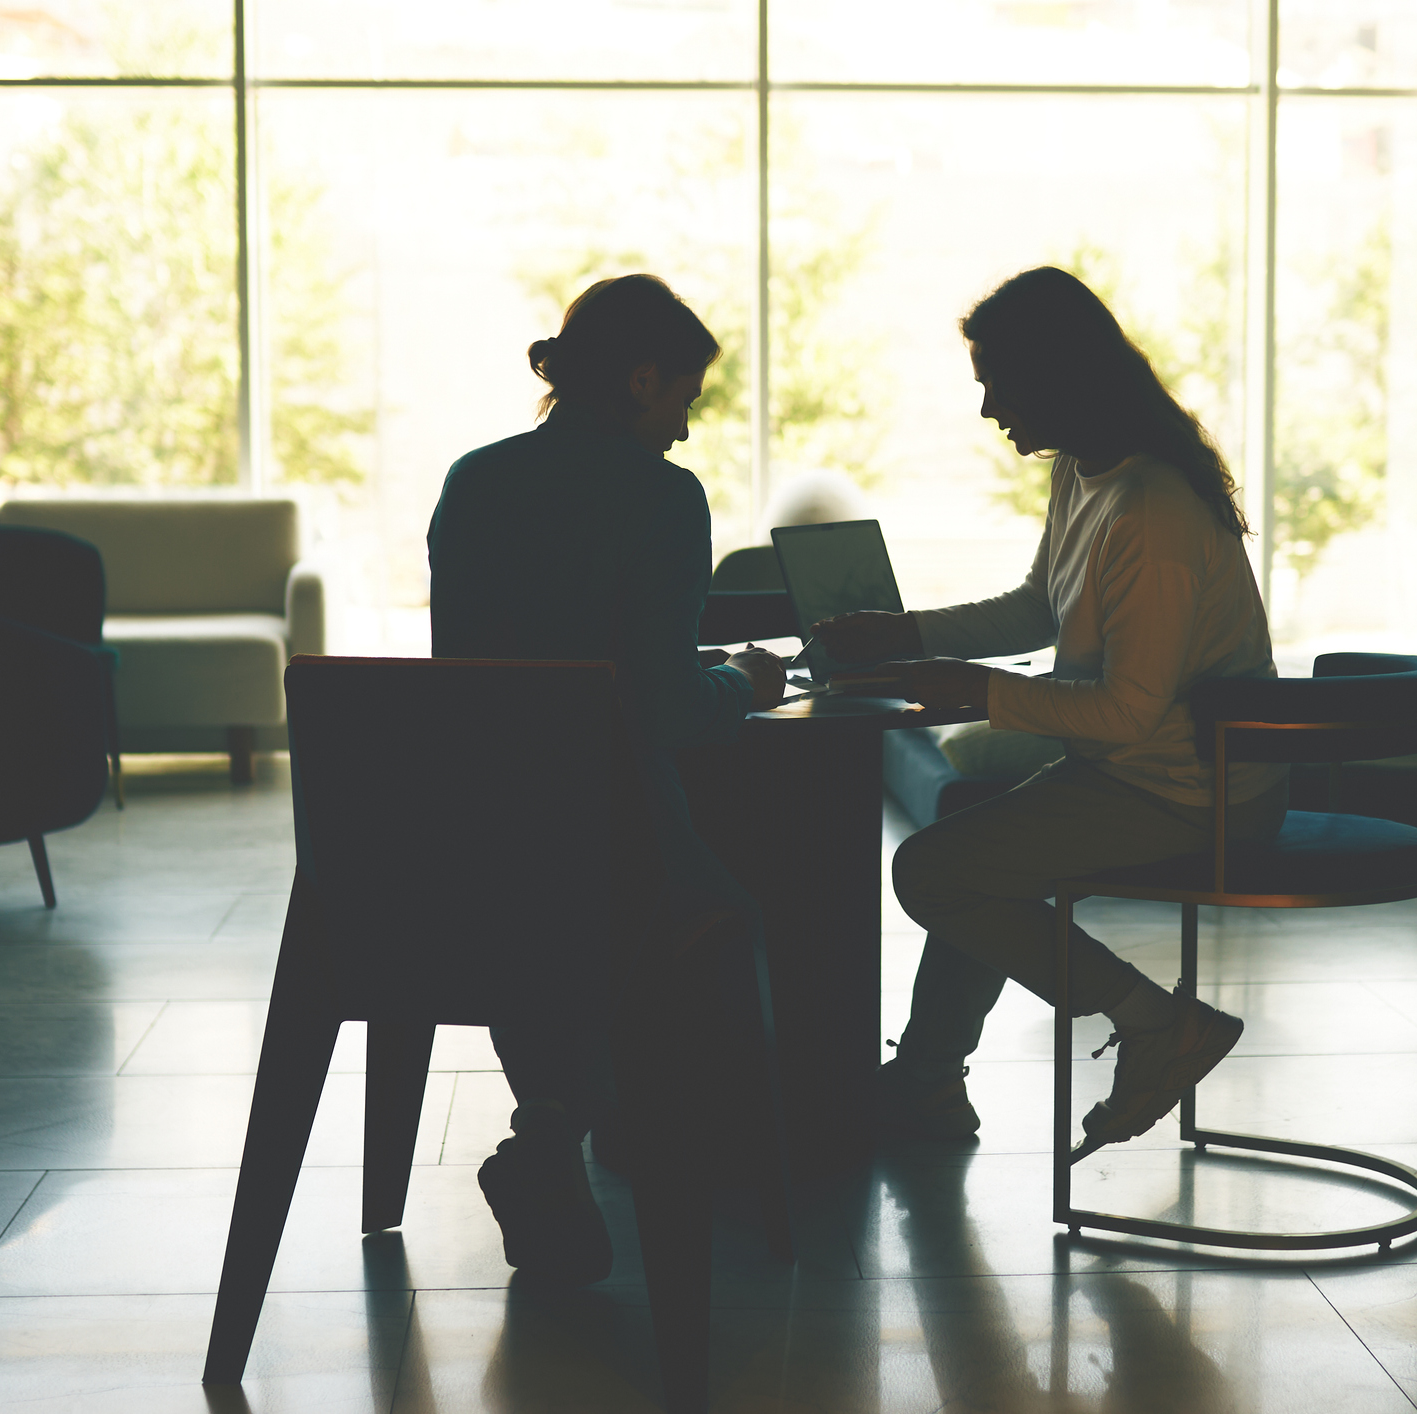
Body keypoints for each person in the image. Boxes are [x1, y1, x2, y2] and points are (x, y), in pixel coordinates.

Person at [814, 266, 1287, 1154]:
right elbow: (1039, 605)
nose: (990, 408)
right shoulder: (1085, 471)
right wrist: (905, 635)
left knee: (933, 871)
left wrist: (975, 689)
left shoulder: (1151, 512)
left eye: (997, 381)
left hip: (1196, 792)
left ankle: (1155, 1024)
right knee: (977, 858)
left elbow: (1126, 713)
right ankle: (924, 1083)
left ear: (1056, 377)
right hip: (1138, 772)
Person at [426, 274, 784, 1283]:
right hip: (606, 843)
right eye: (681, 399)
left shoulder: (472, 479)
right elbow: (667, 710)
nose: (682, 428)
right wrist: (742, 682)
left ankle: (553, 1126)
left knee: (540, 901)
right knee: (711, 907)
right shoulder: (663, 495)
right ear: (639, 380)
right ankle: (691, 1145)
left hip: (460, 843)